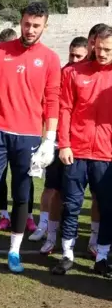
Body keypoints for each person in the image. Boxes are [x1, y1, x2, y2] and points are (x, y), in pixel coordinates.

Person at [0, 1, 61, 273]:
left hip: (28, 137)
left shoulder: (49, 58)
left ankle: (14, 252)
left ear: (45, 26)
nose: (30, 29)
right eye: (27, 23)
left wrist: (49, 139)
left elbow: (52, 100)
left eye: (37, 25)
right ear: (20, 21)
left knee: (22, 195)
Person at [54, 25, 112, 277]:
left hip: (106, 155)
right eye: (97, 48)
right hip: (75, 151)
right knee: (72, 205)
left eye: (107, 50)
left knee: (108, 208)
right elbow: (64, 108)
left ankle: (102, 256)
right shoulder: (74, 72)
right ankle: (66, 254)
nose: (101, 53)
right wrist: (64, 143)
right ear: (92, 45)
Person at [31, 36, 89, 254]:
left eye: (79, 56)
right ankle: (49, 232)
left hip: (80, 146)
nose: (73, 59)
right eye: (71, 55)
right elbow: (52, 108)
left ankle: (89, 238)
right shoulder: (64, 73)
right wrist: (48, 140)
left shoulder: (90, 76)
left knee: (77, 196)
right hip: (58, 144)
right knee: (53, 190)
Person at [0, 28, 37, 234]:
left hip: (25, 132)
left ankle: (28, 216)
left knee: (24, 177)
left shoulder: (30, 63)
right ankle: (4, 215)